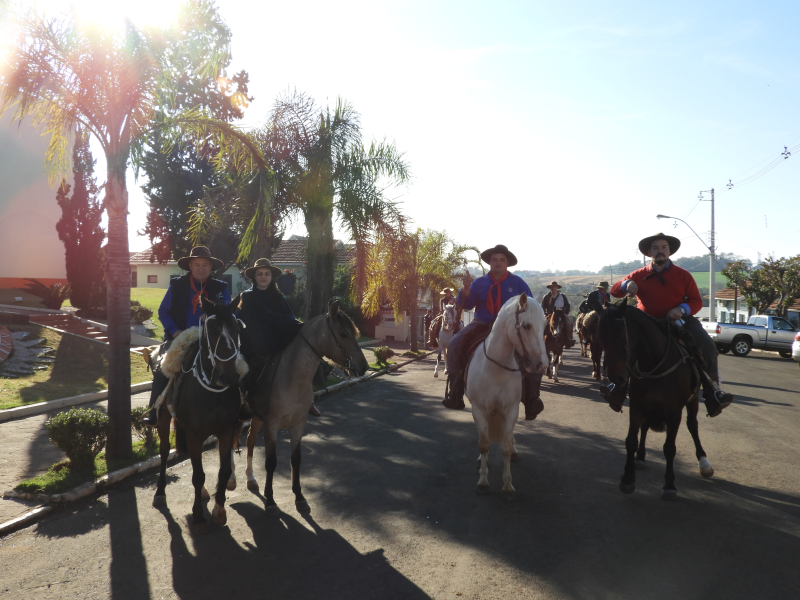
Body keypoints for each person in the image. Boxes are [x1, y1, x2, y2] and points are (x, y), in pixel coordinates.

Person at [609, 232, 733, 417]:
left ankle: (713, 394)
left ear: (669, 252)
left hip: (679, 321)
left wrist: (681, 309)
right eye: (656, 248)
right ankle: (615, 389)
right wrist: (626, 284)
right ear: (649, 252)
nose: (660, 251)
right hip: (646, 324)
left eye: (663, 248)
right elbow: (614, 291)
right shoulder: (638, 274)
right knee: (618, 344)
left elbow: (696, 302)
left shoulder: (683, 275)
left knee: (707, 346)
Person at [442, 244, 543, 419]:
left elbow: (530, 307)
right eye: (494, 260)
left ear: (507, 263)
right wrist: (465, 290)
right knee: (454, 344)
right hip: (481, 323)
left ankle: (533, 396)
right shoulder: (478, 283)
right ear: (489, 262)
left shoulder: (518, 283)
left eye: (501, 260)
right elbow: (466, 306)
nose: (497, 263)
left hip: (509, 327)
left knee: (537, 351)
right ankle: (455, 391)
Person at [141, 246, 231, 425]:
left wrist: (214, 317)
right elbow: (163, 311)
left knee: (236, 365)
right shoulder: (177, 285)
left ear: (211, 267)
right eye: (197, 264)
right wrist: (175, 331)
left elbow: (230, 313)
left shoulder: (221, 287)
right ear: (190, 265)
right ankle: (154, 410)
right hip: (179, 337)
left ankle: (240, 406)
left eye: (205, 264)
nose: (201, 268)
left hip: (211, 338)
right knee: (162, 369)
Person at [238, 258, 320, 416]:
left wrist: (298, 325)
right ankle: (245, 403)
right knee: (247, 371)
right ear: (254, 277)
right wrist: (275, 320)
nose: (263, 277)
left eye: (267, 274)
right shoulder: (248, 296)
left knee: (307, 358)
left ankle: (308, 400)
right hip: (256, 342)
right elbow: (255, 318)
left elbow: (288, 316)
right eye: (260, 274)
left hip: (277, 339)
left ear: (271, 277)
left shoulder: (278, 296)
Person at [540, 281, 575, 348]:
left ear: (557, 288)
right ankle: (540, 339)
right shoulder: (546, 297)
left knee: (568, 323)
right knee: (542, 325)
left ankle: (569, 339)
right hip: (549, 315)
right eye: (552, 287)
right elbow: (543, 306)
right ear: (550, 288)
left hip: (561, 314)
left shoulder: (562, 296)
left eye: (555, 287)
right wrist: (545, 313)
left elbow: (567, 305)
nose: (553, 288)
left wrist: (564, 311)